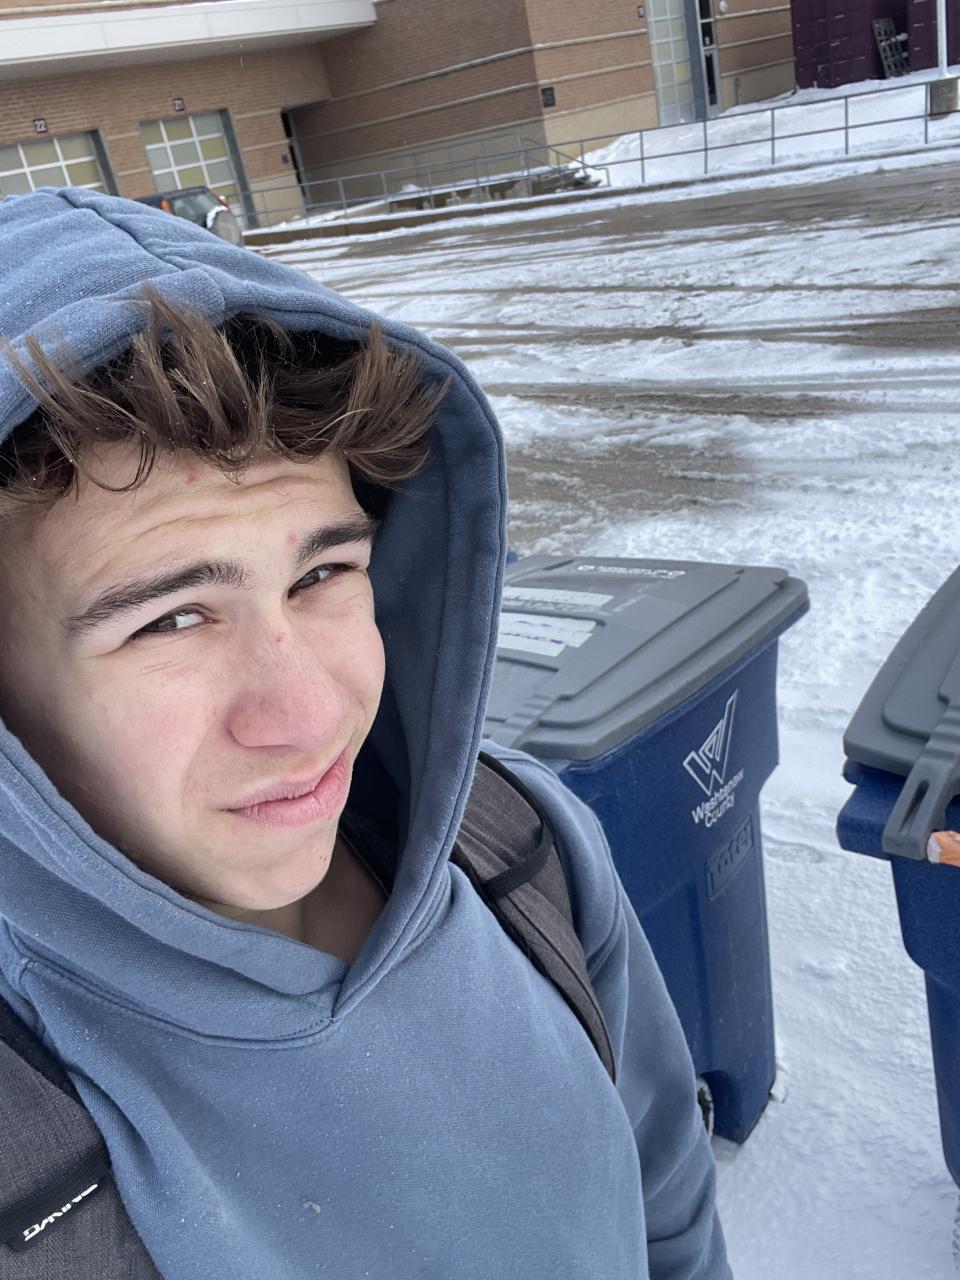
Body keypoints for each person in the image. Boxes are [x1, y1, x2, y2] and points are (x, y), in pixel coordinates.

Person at [0, 186, 731, 1279]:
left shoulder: (518, 846)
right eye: (172, 619)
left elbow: (666, 1209)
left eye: (324, 573)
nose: (307, 716)